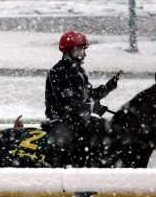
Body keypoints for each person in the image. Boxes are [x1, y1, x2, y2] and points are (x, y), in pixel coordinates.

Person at [44, 31, 121, 167]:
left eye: (84, 50)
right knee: (101, 129)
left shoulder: (78, 71)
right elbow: (66, 104)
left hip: (77, 120)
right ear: (69, 51)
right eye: (80, 50)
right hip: (62, 122)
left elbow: (89, 95)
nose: (84, 54)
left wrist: (108, 87)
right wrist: (91, 108)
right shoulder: (58, 71)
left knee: (107, 128)